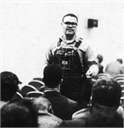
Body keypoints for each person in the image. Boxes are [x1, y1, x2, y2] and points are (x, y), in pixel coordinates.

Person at [46, 13, 98, 107]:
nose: (70, 26)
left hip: (78, 91)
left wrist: (93, 70)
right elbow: (46, 64)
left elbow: (93, 64)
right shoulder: (53, 45)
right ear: (62, 24)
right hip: (58, 90)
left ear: (77, 26)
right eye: (67, 23)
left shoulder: (85, 45)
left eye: (73, 24)